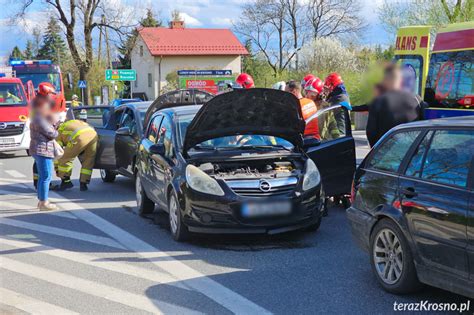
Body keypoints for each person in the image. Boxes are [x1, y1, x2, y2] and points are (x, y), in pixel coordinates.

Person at [366, 64, 423, 147]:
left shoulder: (377, 101)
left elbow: (371, 131)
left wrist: (376, 151)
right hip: (410, 151)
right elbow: (423, 126)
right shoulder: (417, 100)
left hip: (386, 151)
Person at [29, 87, 59, 211]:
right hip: (43, 149)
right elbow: (51, 133)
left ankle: (42, 201)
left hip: (39, 149)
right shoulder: (39, 116)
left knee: (43, 176)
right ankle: (43, 202)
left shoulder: (36, 115)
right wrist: (55, 127)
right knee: (46, 176)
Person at [53, 119, 98, 191]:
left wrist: (57, 169)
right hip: (93, 135)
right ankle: (84, 183)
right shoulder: (73, 122)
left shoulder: (59, 131)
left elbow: (58, 152)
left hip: (80, 137)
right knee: (88, 159)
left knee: (65, 158)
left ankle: (66, 182)